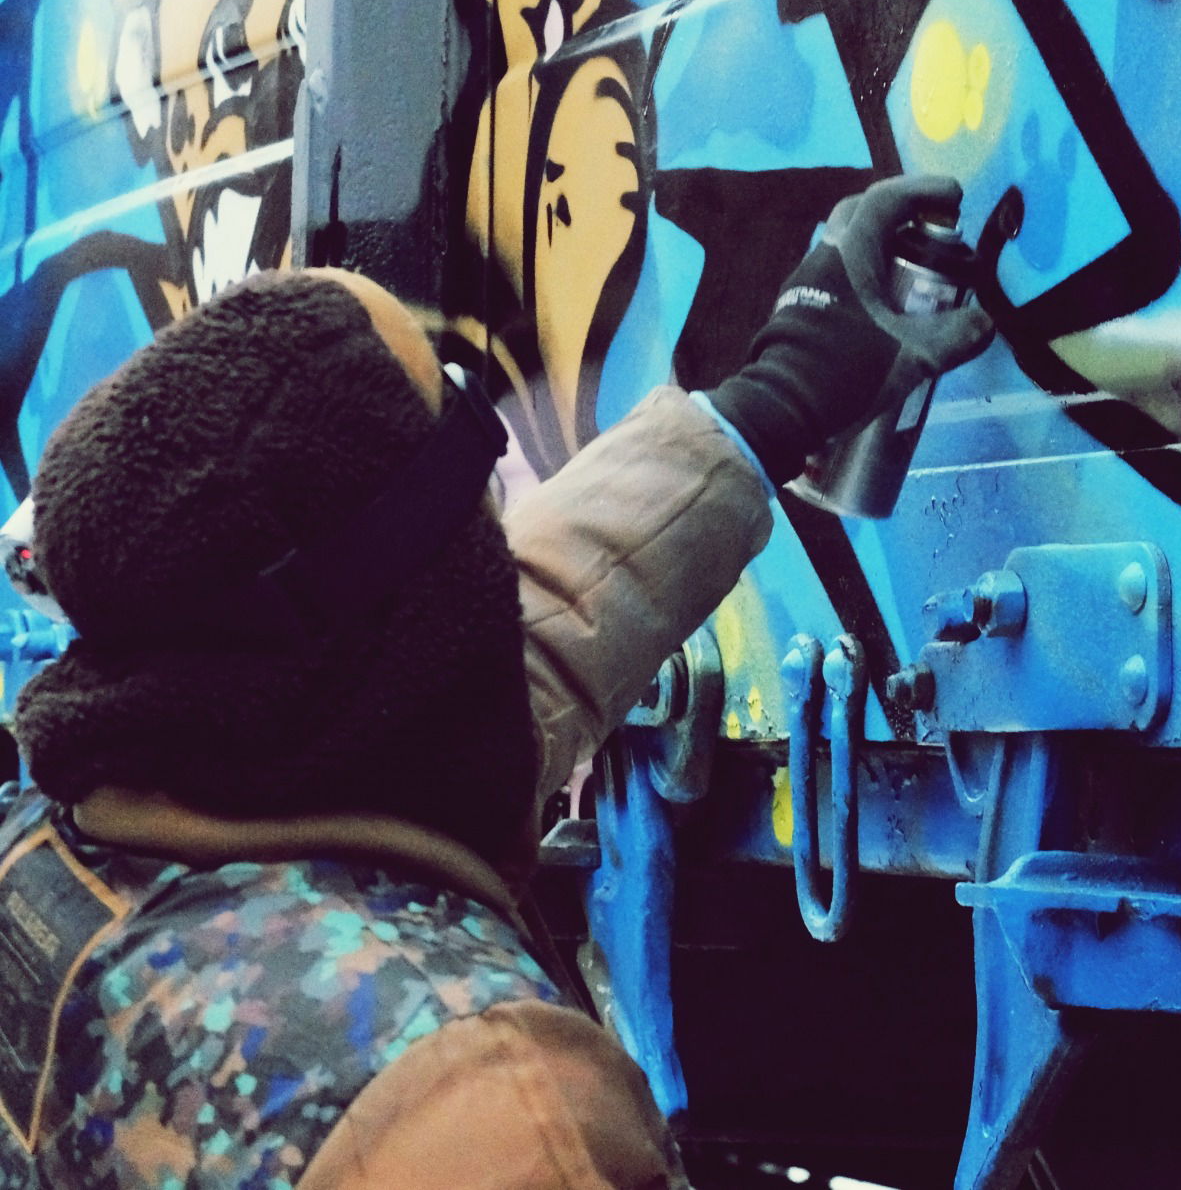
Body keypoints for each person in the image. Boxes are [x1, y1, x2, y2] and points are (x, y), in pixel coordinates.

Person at [0, 175, 990, 1189]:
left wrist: (772, 404)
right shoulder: (490, 1121)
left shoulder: (62, 849)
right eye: (467, 444)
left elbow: (484, 647)